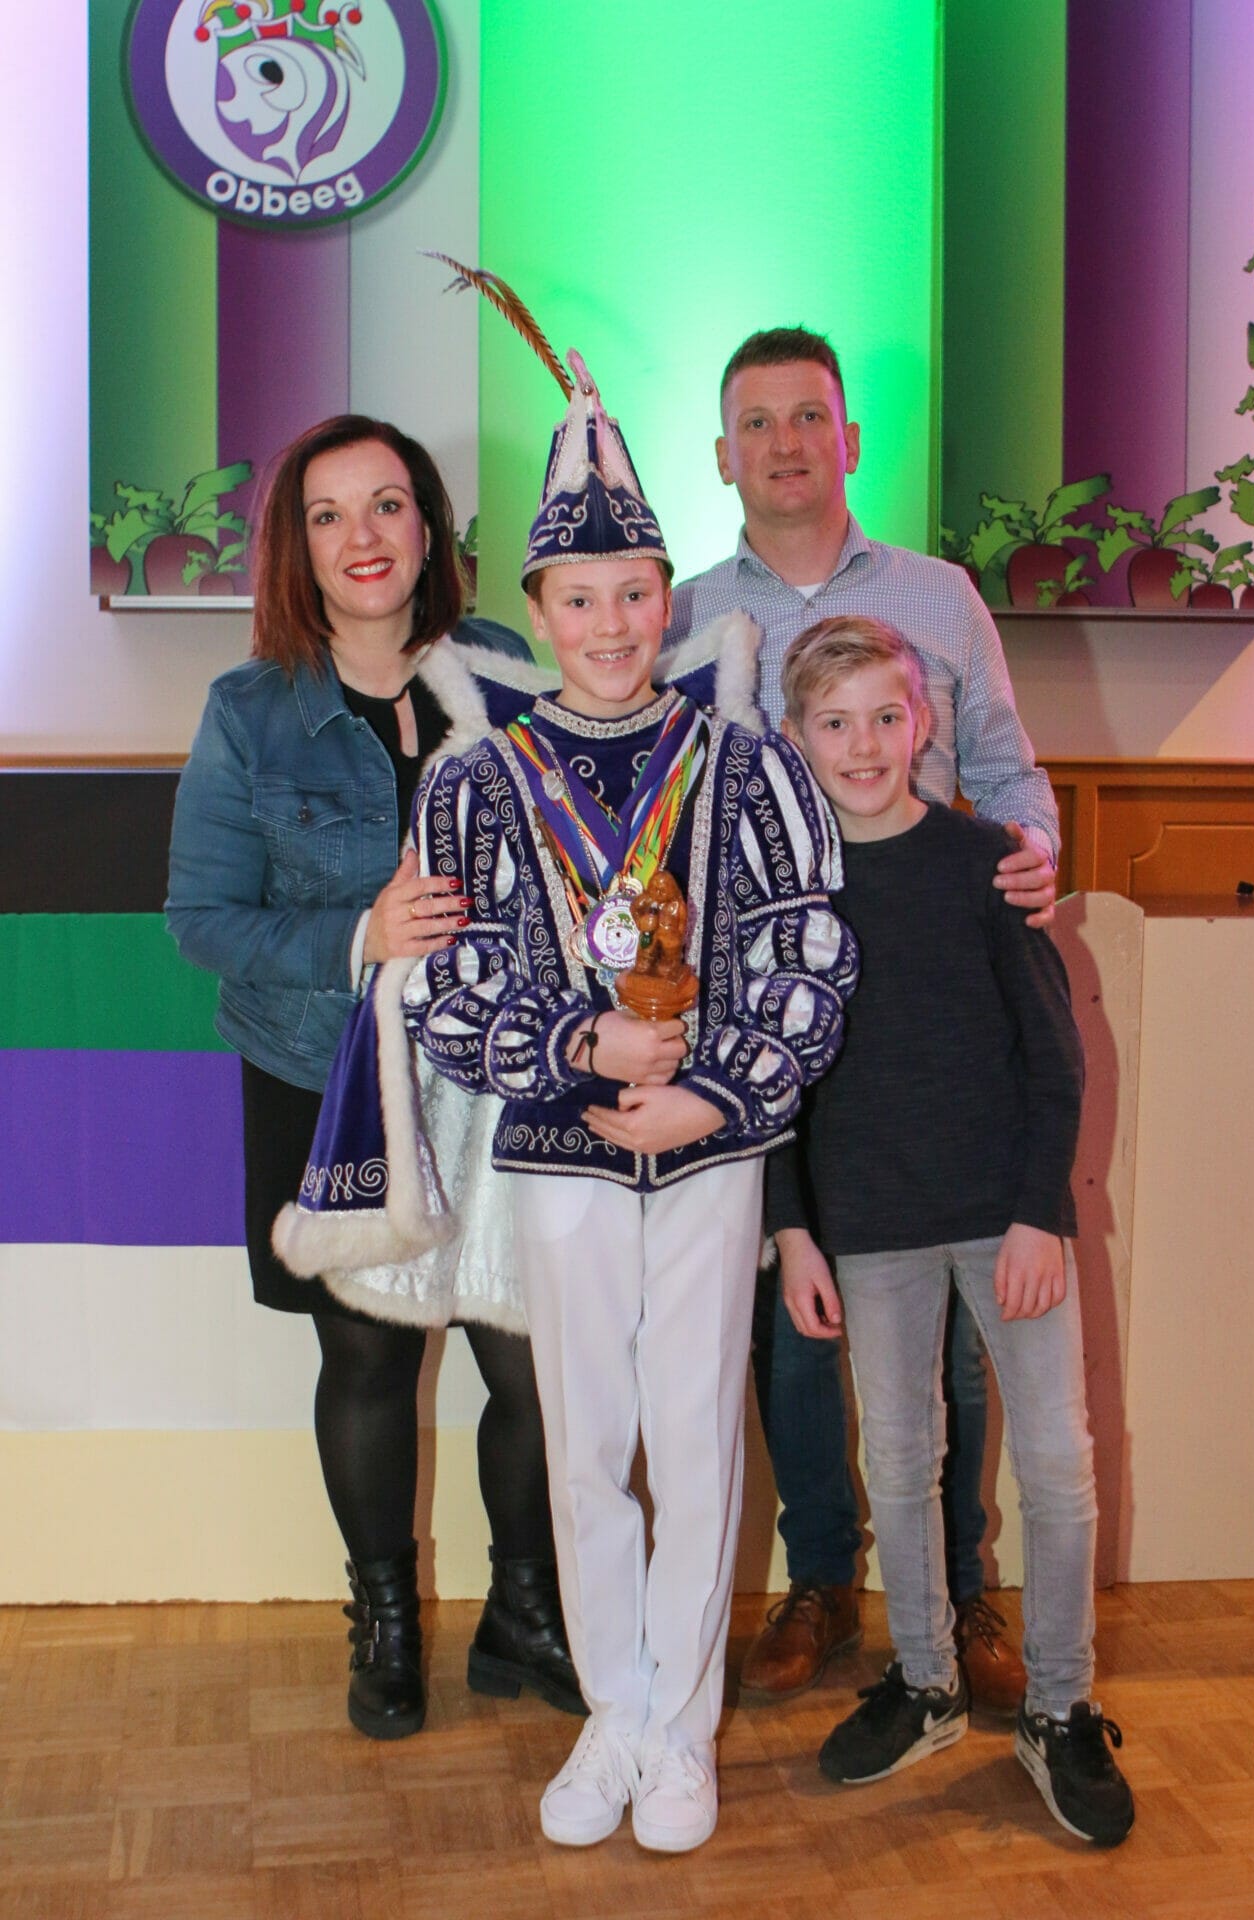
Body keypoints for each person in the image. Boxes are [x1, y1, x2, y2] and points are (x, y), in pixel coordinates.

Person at [401, 354, 859, 1852]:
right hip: (563, 1151)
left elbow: (808, 951)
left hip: (708, 1154)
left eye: (635, 594)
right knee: (585, 1440)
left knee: (698, 1438)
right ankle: (613, 1708)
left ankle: (681, 1732)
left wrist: (712, 1093)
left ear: (670, 601)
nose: (610, 625)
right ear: (536, 613)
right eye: (579, 598)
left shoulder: (751, 765)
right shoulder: (476, 783)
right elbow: (451, 984)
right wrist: (582, 1046)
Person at [166, 413, 582, 1741]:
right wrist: (362, 933)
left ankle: (523, 1617)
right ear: (297, 546)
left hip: (504, 1076)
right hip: (322, 1071)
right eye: (328, 513)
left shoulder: (508, 669)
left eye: (387, 504)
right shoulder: (249, 711)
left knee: (533, 1357)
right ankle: (386, 1625)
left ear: (429, 525)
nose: (363, 536)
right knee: (366, 1356)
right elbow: (201, 919)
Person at [666, 326, 1061, 1710]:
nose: (783, 442)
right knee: (799, 1311)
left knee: (951, 1327)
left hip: (936, 1005)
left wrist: (1029, 849)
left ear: (847, 439)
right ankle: (822, 1579)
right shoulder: (681, 618)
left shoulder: (940, 600)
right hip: (767, 1009)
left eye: (807, 417)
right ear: (722, 454)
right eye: (755, 421)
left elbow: (1006, 769)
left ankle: (956, 1589)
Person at [768, 614, 1134, 1847]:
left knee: (1056, 1465)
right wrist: (793, 1233)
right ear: (795, 737)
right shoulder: (788, 892)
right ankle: (923, 1680)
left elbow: (1053, 1058)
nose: (863, 743)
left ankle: (1060, 1705)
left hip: (1002, 1220)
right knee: (897, 1462)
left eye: (885, 715)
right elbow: (772, 1080)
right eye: (834, 723)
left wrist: (1038, 1213)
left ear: (921, 721)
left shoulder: (987, 864)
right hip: (867, 1226)